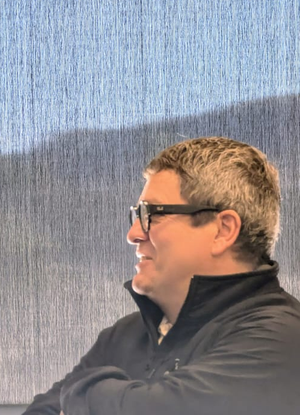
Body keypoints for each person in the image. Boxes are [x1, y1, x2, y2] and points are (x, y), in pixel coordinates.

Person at [24, 137, 300, 415]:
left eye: (152, 215)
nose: (133, 234)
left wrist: (82, 393)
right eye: (137, 215)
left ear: (222, 230)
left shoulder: (281, 338)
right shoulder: (125, 335)